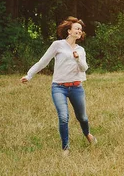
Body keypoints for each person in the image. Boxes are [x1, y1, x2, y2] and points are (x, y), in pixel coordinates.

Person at [20, 16, 97, 155]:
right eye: (76, 29)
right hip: (59, 87)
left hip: (76, 87)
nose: (79, 31)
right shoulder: (57, 45)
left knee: (82, 117)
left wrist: (78, 59)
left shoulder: (81, 50)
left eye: (80, 29)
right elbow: (43, 62)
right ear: (69, 31)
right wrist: (29, 75)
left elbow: (84, 68)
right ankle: (65, 148)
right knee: (63, 117)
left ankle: (88, 134)